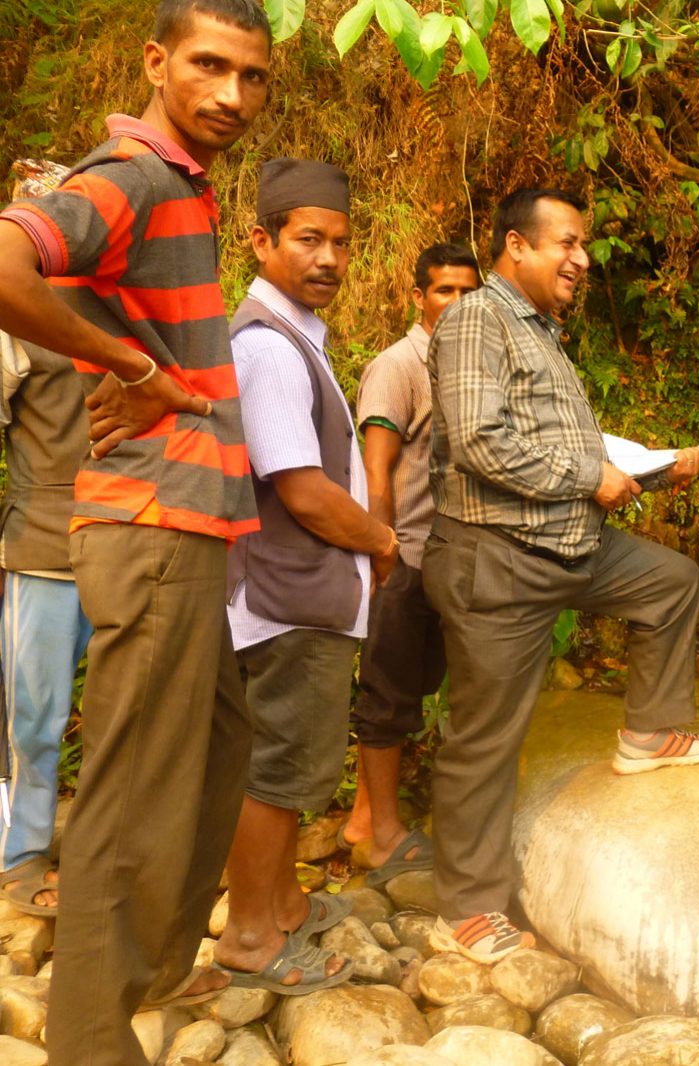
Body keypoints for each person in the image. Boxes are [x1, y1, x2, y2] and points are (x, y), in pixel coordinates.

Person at [0, 0, 271, 1056]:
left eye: (252, 77)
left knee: (217, 746)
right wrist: (137, 370)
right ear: (158, 62)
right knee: (131, 790)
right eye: (209, 66)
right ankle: (91, 1039)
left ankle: (152, 972)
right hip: (151, 520)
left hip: (186, 522)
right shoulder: (132, 176)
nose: (231, 95)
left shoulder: (184, 189)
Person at [423, 186, 699, 963]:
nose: (582, 260)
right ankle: (468, 905)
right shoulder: (474, 321)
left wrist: (649, 473)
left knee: (669, 581)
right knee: (485, 738)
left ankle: (648, 731)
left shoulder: (541, 332)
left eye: (583, 246)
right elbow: (480, 444)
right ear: (515, 247)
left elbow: (566, 455)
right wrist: (588, 477)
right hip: (497, 561)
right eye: (567, 244)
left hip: (566, 544)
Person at [214, 158, 397, 994]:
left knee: (293, 765)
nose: (327, 258)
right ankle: (251, 936)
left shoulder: (299, 339)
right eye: (308, 239)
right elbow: (305, 492)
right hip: (293, 599)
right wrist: (383, 542)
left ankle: (282, 902)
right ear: (263, 240)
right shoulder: (268, 347)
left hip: (305, 597)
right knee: (282, 770)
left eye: (341, 243)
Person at [341, 242, 480, 886]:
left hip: (446, 559)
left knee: (416, 686)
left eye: (468, 292)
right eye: (444, 291)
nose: (457, 303)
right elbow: (377, 466)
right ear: (419, 297)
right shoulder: (398, 366)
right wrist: (381, 549)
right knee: (388, 694)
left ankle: (365, 820)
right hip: (404, 554)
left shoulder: (470, 364)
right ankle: (380, 836)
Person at [0, 171, 93, 921]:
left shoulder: (119, 305)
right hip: (42, 545)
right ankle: (23, 855)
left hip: (130, 535)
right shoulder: (11, 318)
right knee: (34, 712)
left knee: (132, 707)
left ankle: (98, 850)